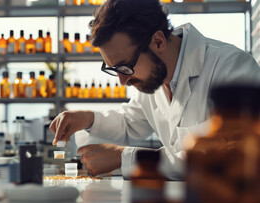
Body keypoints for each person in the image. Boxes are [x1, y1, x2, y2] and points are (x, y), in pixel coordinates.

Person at [50, 0, 260, 180]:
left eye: (124, 67)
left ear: (158, 41)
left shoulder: (231, 68)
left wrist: (124, 157)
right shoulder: (152, 79)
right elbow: (129, 122)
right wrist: (87, 118)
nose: (122, 81)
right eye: (114, 70)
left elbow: (231, 153)